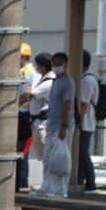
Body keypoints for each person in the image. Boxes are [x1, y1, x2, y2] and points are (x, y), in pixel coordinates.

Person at [38, 52, 75, 197]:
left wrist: (64, 126)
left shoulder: (68, 82)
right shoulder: (55, 81)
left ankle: (60, 189)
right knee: (48, 158)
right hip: (52, 125)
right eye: (54, 63)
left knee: (59, 159)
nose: (55, 66)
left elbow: (67, 104)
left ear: (65, 64)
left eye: (59, 63)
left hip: (61, 126)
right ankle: (47, 186)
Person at [20, 53, 54, 192]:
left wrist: (27, 89)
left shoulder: (49, 82)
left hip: (43, 122)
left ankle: (48, 184)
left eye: (38, 64)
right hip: (37, 121)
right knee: (42, 156)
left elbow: (29, 94)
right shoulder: (41, 78)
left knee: (47, 155)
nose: (36, 67)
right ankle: (46, 183)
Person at [78, 49, 99, 192]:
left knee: (82, 152)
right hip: (88, 121)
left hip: (85, 122)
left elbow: (83, 103)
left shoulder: (87, 80)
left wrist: (79, 120)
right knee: (81, 153)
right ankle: (81, 181)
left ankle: (91, 184)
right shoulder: (87, 78)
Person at [17, 42, 37, 158]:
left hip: (24, 114)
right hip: (21, 112)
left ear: (23, 57)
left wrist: (13, 107)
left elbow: (27, 94)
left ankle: (22, 176)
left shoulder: (28, 72)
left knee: (22, 151)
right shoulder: (23, 70)